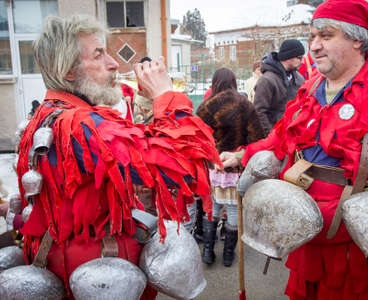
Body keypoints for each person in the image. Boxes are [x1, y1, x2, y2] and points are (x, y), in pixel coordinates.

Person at [219, 1, 368, 299]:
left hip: (356, 253)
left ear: (358, 39)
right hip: (303, 243)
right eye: (312, 36)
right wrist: (240, 156)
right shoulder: (310, 89)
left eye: (326, 36)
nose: (314, 46)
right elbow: (279, 141)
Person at [16, 15, 221, 299]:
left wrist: (151, 109)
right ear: (69, 72)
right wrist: (166, 94)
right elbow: (184, 167)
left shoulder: (47, 112)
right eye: (99, 55)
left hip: (66, 267)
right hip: (98, 278)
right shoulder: (80, 123)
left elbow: (136, 151)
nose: (113, 63)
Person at [196, 68, 264, 267]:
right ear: (234, 81)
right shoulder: (245, 104)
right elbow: (257, 138)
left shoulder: (206, 106)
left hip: (213, 166)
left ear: (215, 82)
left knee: (213, 206)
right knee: (234, 209)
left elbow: (197, 138)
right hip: (236, 167)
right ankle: (228, 255)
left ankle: (208, 252)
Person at [254, 39, 305, 136]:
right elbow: (259, 112)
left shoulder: (299, 78)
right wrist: (272, 136)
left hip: (294, 136)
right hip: (274, 138)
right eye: (299, 57)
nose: (302, 62)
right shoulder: (267, 80)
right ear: (288, 57)